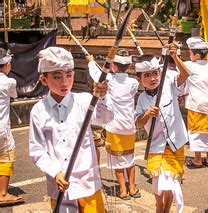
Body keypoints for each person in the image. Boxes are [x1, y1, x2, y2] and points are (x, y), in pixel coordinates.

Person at [29, 46, 113, 212]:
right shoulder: (38, 110)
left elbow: (105, 118)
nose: (64, 82)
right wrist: (55, 172)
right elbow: (37, 150)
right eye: (57, 76)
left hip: (87, 183)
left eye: (69, 75)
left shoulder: (84, 100)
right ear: (44, 80)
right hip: (59, 186)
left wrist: (102, 96)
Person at [135, 43, 189, 213]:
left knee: (172, 180)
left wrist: (174, 56)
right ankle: (159, 206)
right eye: (147, 75)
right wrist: (147, 115)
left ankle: (166, 208)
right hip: (156, 145)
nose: (152, 78)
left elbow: (185, 74)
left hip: (176, 141)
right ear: (139, 79)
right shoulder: (141, 100)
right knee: (158, 178)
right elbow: (137, 124)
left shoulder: (170, 81)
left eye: (155, 73)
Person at [87, 49, 141, 200]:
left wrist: (91, 61)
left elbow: (96, 74)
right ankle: (132, 188)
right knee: (130, 158)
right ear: (129, 66)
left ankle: (123, 190)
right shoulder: (133, 83)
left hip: (114, 127)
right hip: (129, 127)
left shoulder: (109, 80)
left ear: (113, 66)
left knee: (117, 160)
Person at [183, 37, 208, 168]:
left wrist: (174, 55)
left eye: (190, 53)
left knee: (195, 130)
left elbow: (179, 66)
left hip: (195, 103)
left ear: (196, 55)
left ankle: (197, 158)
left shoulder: (190, 66)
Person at [0, 48, 24, 207]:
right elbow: (14, 95)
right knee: (6, 156)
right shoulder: (9, 82)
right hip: (1, 127)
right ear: (7, 65)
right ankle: (2, 193)